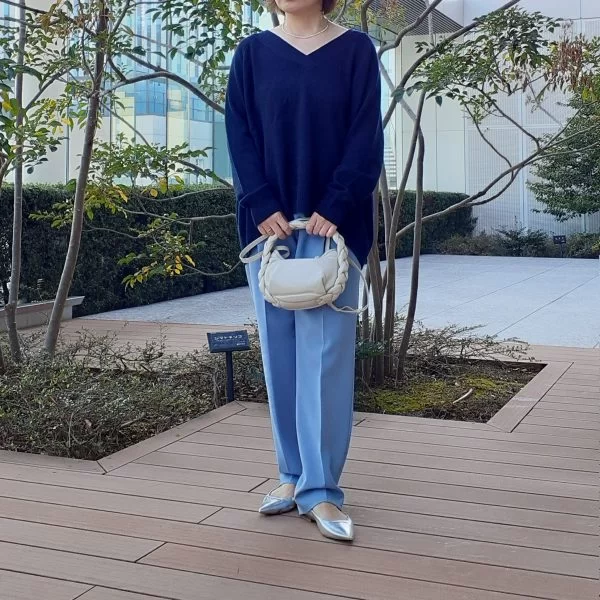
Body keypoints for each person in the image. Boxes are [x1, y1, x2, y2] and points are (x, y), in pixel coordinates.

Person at [224, 0, 384, 542]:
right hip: (269, 230)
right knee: (281, 356)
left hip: (332, 228)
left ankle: (322, 490)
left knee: (326, 360)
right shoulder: (252, 53)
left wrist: (335, 204)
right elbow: (239, 134)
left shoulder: (355, 50)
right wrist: (259, 200)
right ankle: (292, 475)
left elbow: (365, 136)